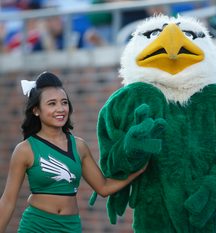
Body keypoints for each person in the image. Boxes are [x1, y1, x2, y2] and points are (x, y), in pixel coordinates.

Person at [0, 71, 146, 233]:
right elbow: (7, 200)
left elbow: (103, 187)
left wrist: (138, 170)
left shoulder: (79, 146)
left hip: (70, 227)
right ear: (36, 110)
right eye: (52, 103)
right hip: (36, 226)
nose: (60, 109)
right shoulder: (25, 149)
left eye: (64, 102)